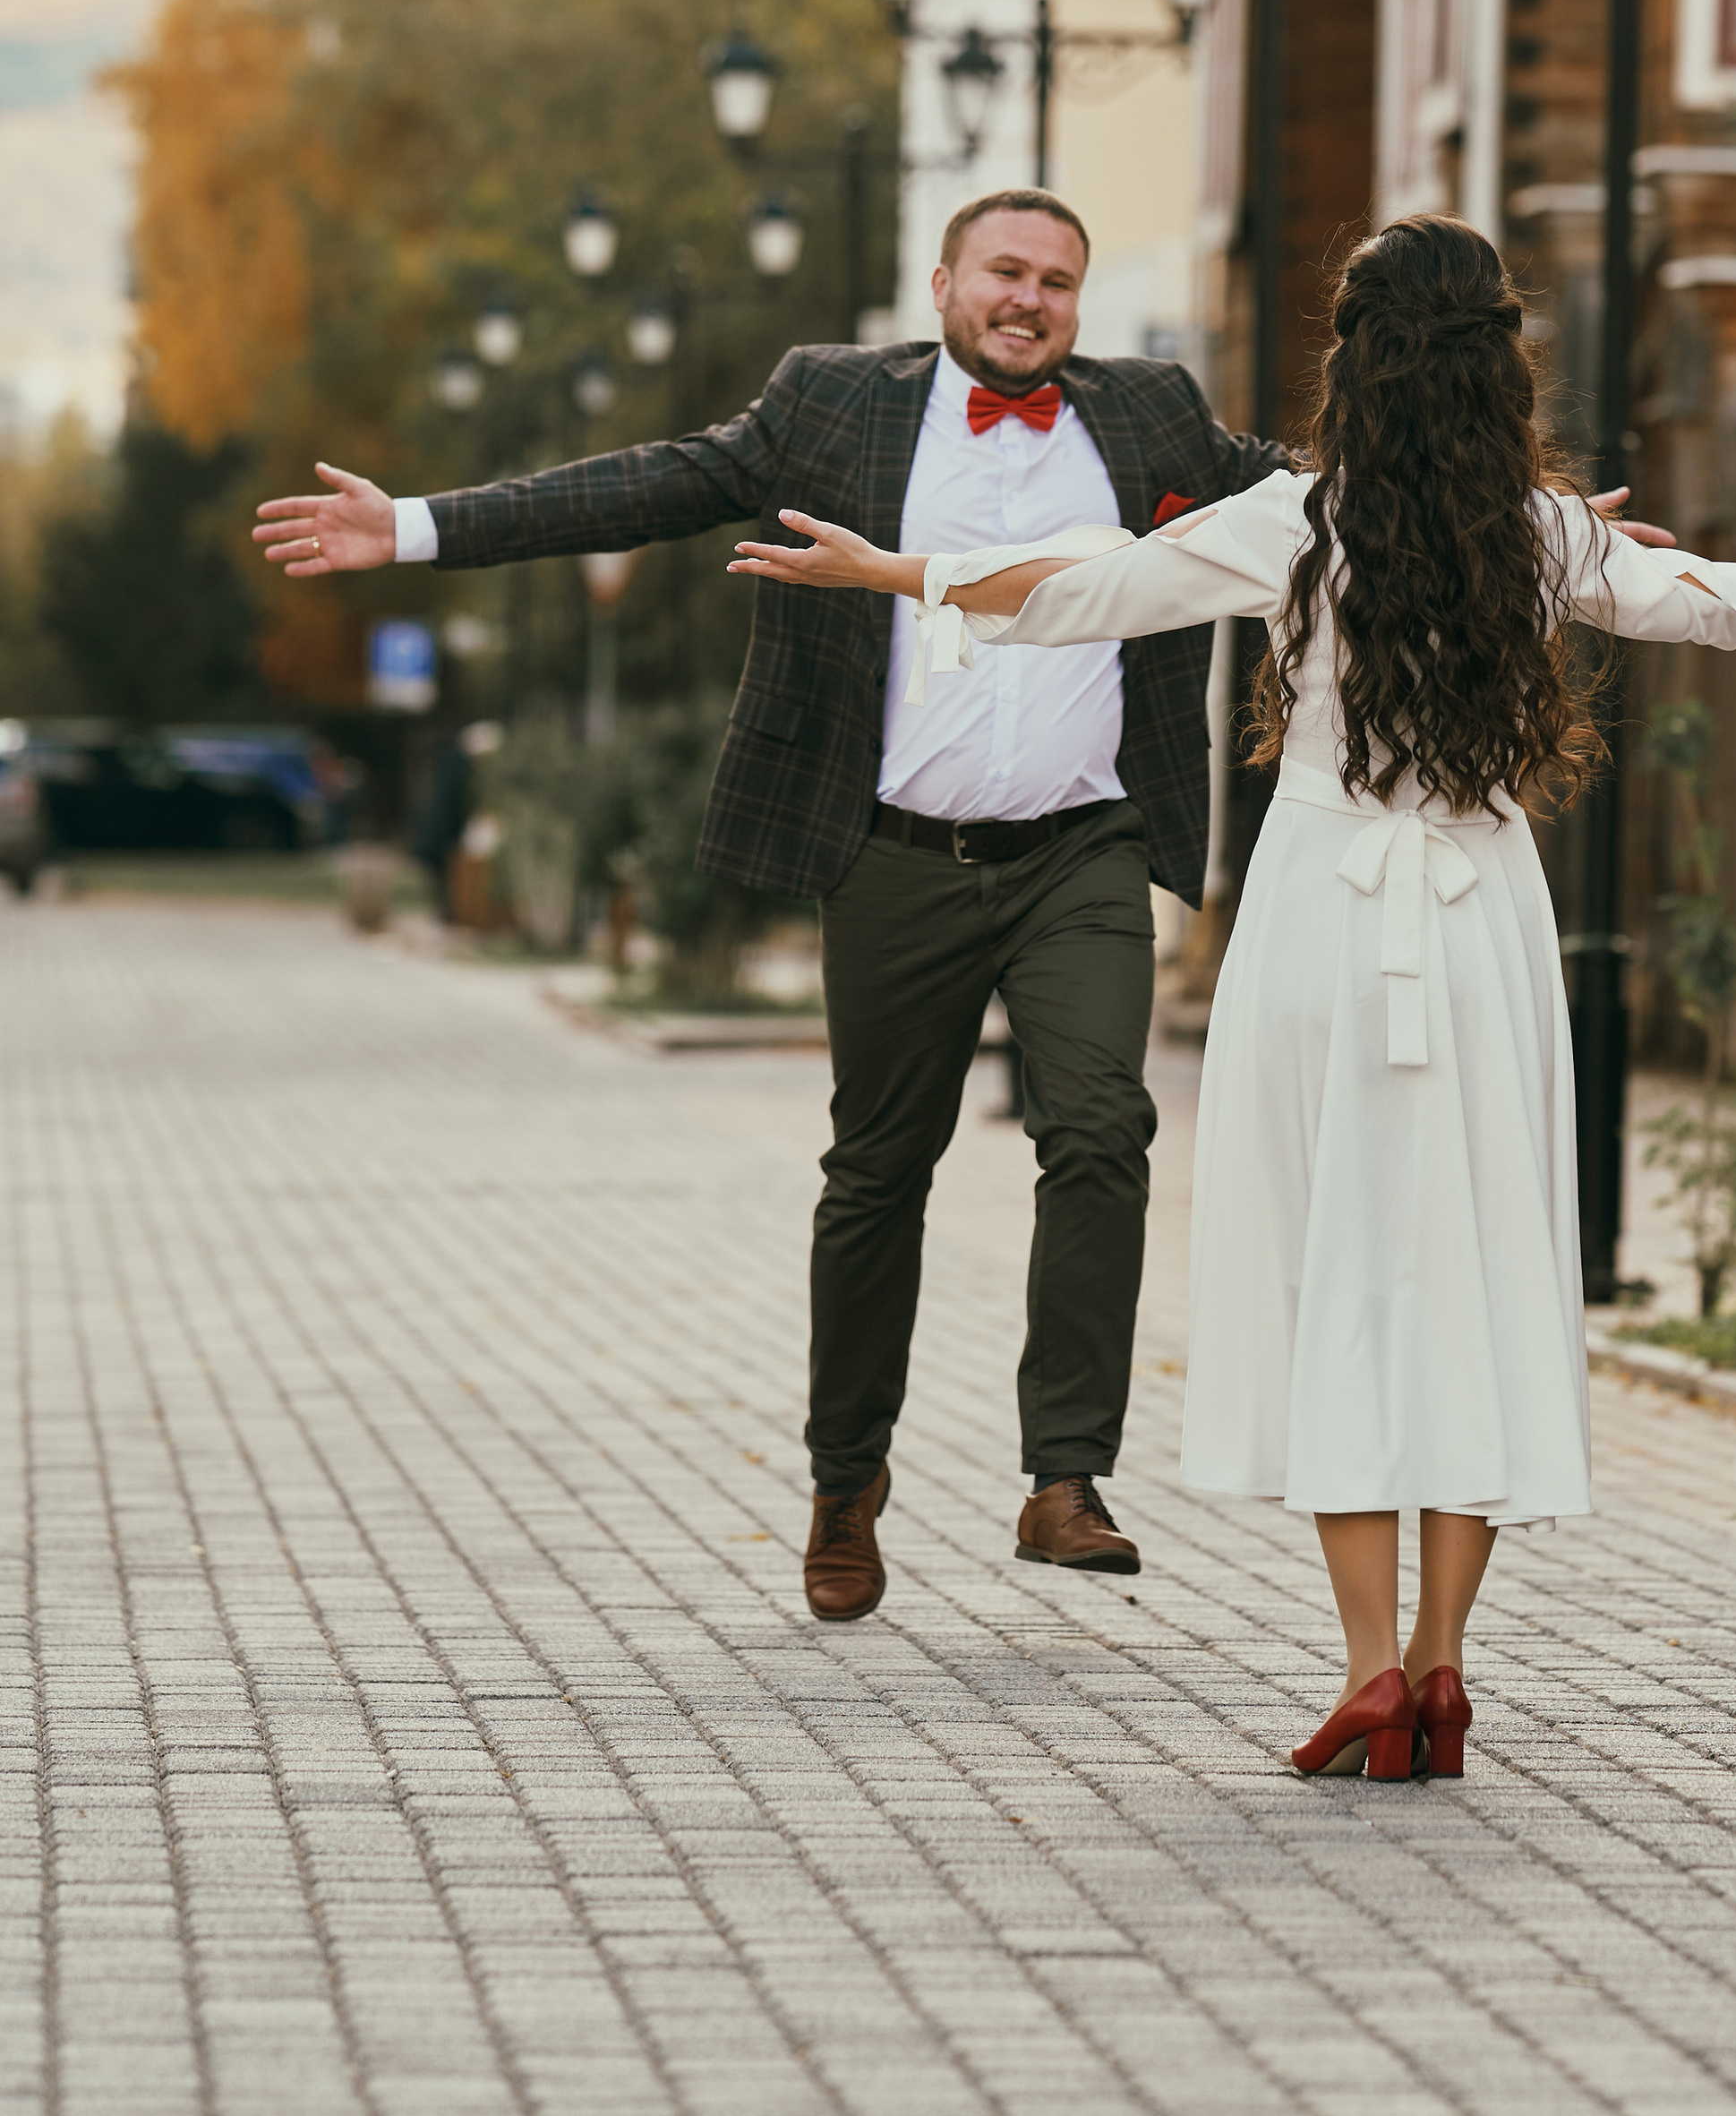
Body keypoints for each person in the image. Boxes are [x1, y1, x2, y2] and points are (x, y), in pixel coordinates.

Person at [732, 214, 1736, 1777]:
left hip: (1325, 920)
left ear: (1355, 359)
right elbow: (1708, 598)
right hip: (1485, 929)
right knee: (1472, 1272)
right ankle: (1444, 1665)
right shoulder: (1542, 534)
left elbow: (1095, 586)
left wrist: (902, 570)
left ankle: (1364, 1670)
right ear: (1500, 364)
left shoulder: (1296, 519)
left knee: (1336, 1262)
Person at [253, 189, 1303, 1619]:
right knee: (878, 1173)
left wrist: (1529, 522)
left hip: (1085, 847)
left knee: (1104, 1125)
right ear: (944, 282)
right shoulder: (831, 404)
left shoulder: (1157, 417)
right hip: (889, 852)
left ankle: (1066, 1477)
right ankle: (844, 1477)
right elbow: (654, 483)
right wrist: (421, 530)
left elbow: (1325, 498)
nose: (1030, 299)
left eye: (1057, 280)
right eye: (1005, 270)